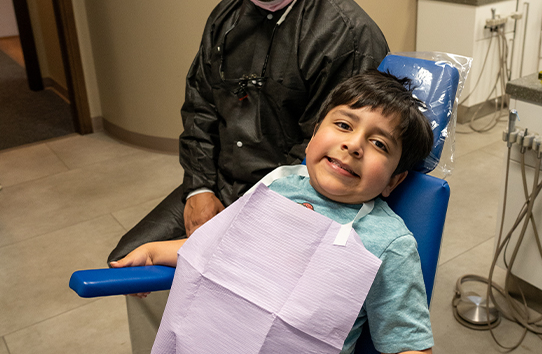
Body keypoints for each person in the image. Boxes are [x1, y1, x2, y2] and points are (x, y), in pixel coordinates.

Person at [108, 0, 389, 264]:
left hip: (294, 207)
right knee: (123, 262)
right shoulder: (225, 18)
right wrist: (199, 190)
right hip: (218, 183)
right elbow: (200, 109)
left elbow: (326, 167)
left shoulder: (347, 36)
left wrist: (231, 226)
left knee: (193, 277)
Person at [112, 70, 434, 354]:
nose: (353, 145)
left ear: (394, 180)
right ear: (311, 140)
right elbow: (218, 248)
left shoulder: (389, 243)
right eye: (343, 125)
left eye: (379, 144)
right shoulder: (277, 188)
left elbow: (407, 342)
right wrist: (154, 252)